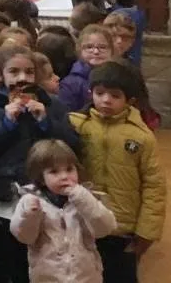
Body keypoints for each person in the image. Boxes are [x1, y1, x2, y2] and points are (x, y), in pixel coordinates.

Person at [0, 45, 79, 283]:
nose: (22, 78)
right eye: (14, 71)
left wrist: (45, 122)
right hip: (1, 198)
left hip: (43, 198)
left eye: (29, 72)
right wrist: (6, 123)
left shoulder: (52, 105)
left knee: (33, 262)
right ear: (0, 74)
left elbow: (73, 145)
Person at [69, 60, 166, 283]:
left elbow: (154, 186)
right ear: (90, 92)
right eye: (100, 93)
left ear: (130, 100)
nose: (106, 100)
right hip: (83, 224)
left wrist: (146, 232)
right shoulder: (77, 125)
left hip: (121, 229)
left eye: (115, 95)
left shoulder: (141, 136)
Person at [10, 139, 116, 283]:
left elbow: (105, 228)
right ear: (41, 178)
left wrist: (83, 199)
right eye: (54, 172)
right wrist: (30, 215)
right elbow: (25, 237)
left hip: (86, 278)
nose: (64, 176)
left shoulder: (85, 197)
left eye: (69, 169)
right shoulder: (30, 201)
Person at [60, 24, 114, 112]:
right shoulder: (70, 83)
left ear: (112, 50)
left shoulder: (119, 77)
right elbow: (66, 116)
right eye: (89, 47)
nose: (96, 52)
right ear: (79, 50)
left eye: (102, 47)